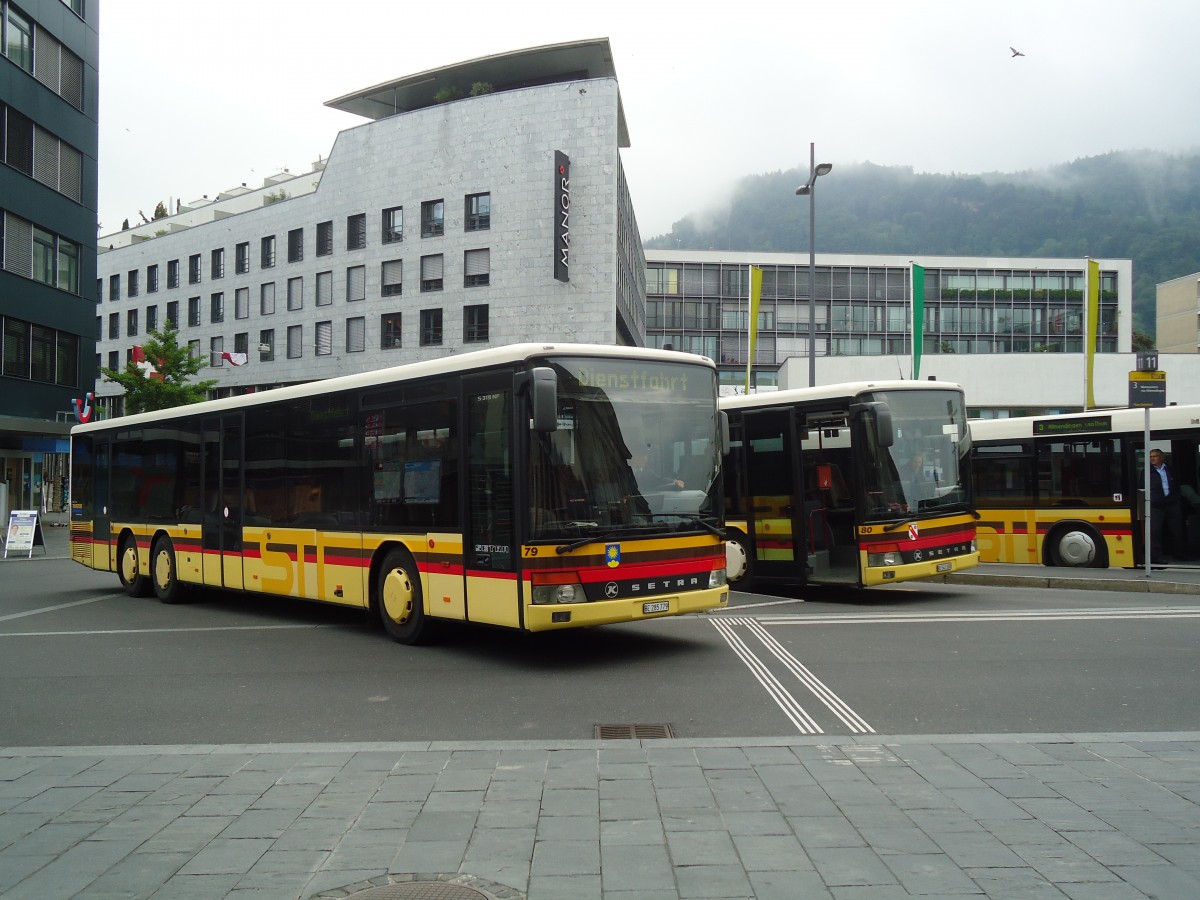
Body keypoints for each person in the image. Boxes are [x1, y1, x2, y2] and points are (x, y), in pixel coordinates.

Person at [1148, 448, 1183, 563]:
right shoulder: (1147, 471)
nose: (1152, 458)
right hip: (1156, 505)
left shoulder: (1170, 470)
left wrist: (1176, 498)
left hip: (1172, 503)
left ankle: (1179, 553)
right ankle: (1156, 557)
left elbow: (1177, 485)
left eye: (1155, 456)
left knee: (1177, 530)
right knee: (1155, 531)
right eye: (1151, 456)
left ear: (1162, 457)